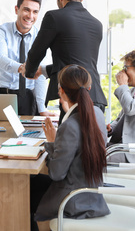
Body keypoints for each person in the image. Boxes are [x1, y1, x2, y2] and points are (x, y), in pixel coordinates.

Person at [30, 65, 109, 231]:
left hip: (73, 199)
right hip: (91, 193)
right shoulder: (97, 113)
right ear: (89, 88)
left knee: (24, 189)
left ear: (61, 91)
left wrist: (52, 141)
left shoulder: (70, 126)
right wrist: (68, 114)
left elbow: (56, 174)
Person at [23, 0, 107, 117]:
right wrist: (43, 70)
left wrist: (29, 72)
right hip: (95, 97)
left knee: (67, 138)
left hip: (73, 97)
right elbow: (79, 62)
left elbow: (37, 52)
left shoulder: (54, 17)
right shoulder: (97, 24)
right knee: (90, 139)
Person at [0, 0, 56, 116]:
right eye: (26, 10)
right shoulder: (2, 31)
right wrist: (22, 68)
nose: (30, 16)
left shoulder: (40, 36)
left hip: (27, 98)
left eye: (35, 12)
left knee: (29, 134)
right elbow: (0, 58)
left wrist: (42, 109)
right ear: (16, 9)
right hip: (2, 95)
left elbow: (40, 74)